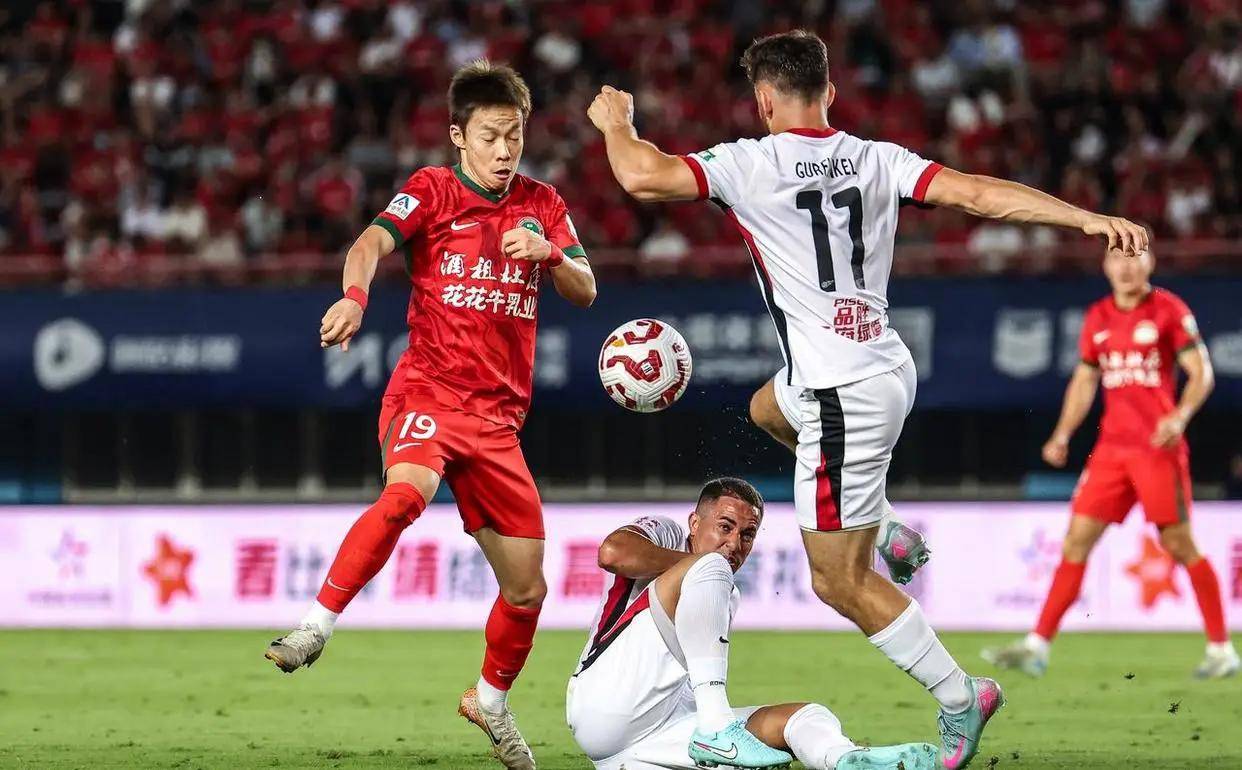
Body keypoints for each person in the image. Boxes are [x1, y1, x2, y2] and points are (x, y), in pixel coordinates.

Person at [586, 29, 1149, 769]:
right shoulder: (880, 158)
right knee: (765, 408)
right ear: (830, 93)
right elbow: (978, 194)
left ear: (763, 100)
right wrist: (1083, 218)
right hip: (878, 366)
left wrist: (616, 124)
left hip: (840, 391)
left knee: (837, 580)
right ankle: (881, 522)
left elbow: (641, 176)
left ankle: (961, 696)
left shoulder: (748, 162)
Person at [265, 60, 597, 770]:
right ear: (458, 137)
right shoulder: (432, 190)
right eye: (490, 137)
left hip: (498, 423)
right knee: (404, 497)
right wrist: (355, 296)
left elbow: (586, 288)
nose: (505, 150)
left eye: (514, 135)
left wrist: (549, 254)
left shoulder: (543, 202)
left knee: (528, 589)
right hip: (429, 393)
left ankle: (490, 701)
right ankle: (315, 626)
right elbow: (369, 243)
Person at [982, 246, 1237, 679]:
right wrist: (1062, 433)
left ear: (1150, 263)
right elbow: (1085, 380)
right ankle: (1037, 646)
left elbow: (1202, 373)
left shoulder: (1169, 310)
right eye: (1118, 257)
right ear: (1105, 265)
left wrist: (1179, 417)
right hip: (1111, 452)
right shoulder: (1098, 316)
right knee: (1075, 542)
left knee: (1180, 545)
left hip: (1157, 449)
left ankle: (1221, 649)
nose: (1126, 266)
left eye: (1136, 257)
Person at [567, 477, 939, 770]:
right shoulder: (669, 535)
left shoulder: (725, 592)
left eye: (747, 535)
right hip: (604, 701)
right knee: (710, 567)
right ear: (694, 523)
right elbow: (611, 553)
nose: (734, 543)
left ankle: (844, 758)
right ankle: (717, 730)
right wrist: (699, 564)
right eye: (724, 527)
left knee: (805, 716)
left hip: (653, 735)